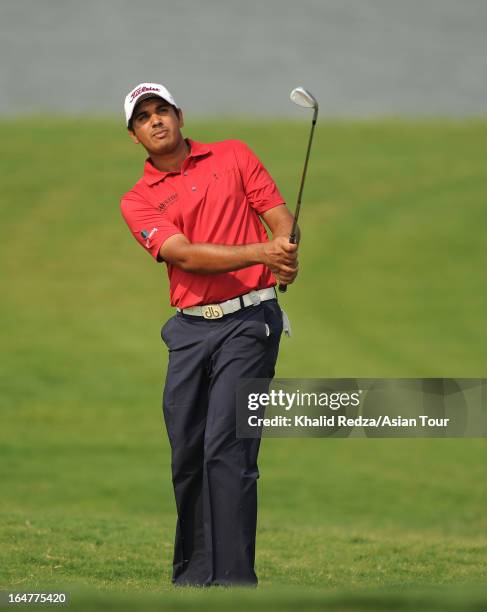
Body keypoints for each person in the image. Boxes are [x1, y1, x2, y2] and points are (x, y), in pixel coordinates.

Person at [120, 82, 299, 587]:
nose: (155, 121)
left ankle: (235, 582)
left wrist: (284, 243)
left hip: (250, 321)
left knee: (227, 446)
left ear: (180, 114)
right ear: (134, 136)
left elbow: (277, 213)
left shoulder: (234, 154)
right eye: (143, 118)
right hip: (190, 331)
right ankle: (195, 578)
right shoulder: (137, 200)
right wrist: (263, 253)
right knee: (188, 450)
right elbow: (185, 254)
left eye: (162, 111)